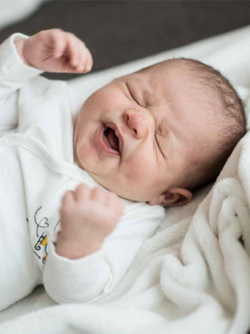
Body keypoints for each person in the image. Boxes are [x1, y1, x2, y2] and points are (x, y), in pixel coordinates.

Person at [0, 29, 246, 310]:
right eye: (135, 95)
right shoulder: (55, 103)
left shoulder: (126, 216)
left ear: (167, 196)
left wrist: (80, 244)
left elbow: (74, 294)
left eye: (159, 139)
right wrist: (22, 56)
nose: (137, 118)